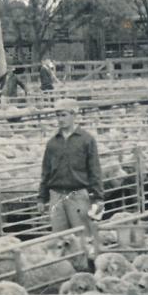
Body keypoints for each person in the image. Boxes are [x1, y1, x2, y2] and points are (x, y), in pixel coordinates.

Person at [38, 102, 104, 270]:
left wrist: (98, 197)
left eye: (64, 114)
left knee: (83, 236)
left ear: (74, 115)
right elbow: (46, 170)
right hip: (56, 195)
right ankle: (64, 273)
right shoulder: (52, 143)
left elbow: (94, 169)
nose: (60, 119)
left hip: (78, 194)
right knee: (59, 238)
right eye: (58, 115)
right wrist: (42, 197)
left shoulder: (86, 140)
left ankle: (88, 271)